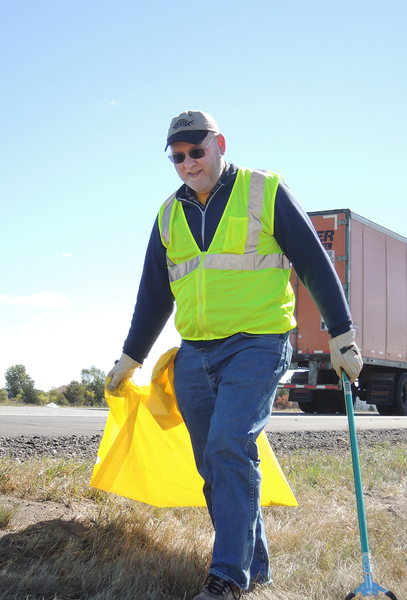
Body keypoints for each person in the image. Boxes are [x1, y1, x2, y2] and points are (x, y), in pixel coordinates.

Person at [107, 110, 363, 600]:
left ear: (219, 143)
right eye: (177, 157)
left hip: (257, 344)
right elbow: (154, 294)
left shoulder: (263, 191)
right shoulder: (167, 215)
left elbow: (312, 260)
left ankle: (226, 578)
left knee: (230, 446)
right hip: (195, 355)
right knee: (214, 465)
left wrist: (341, 333)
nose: (187, 164)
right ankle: (256, 567)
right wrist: (131, 356)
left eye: (196, 151)